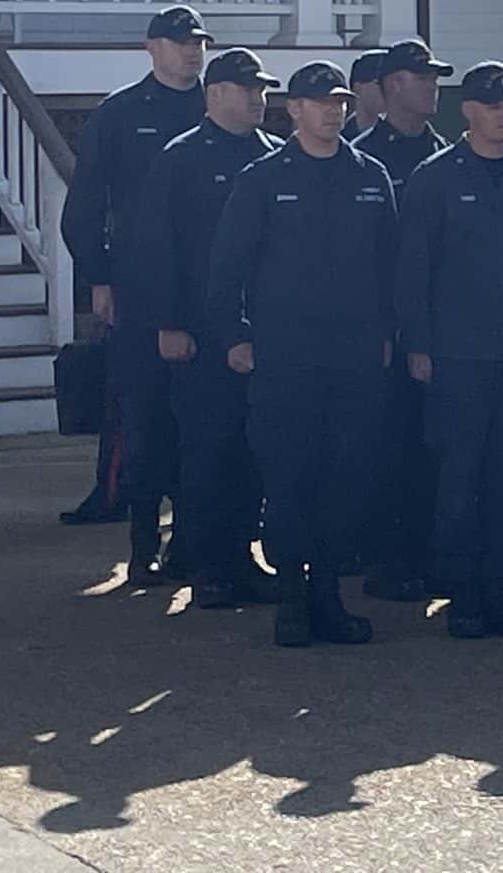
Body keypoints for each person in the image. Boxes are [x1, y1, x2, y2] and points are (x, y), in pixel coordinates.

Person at [205, 61, 397, 647]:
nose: (332, 111)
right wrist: (235, 337)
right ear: (294, 109)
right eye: (320, 102)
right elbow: (226, 269)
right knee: (289, 479)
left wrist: (388, 335)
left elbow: (390, 268)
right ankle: (291, 597)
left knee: (345, 478)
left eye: (339, 102)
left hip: (354, 360)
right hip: (286, 359)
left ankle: (328, 596)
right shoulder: (263, 180)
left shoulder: (370, 175)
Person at [397, 62, 503, 640]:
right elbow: (414, 268)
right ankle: (463, 594)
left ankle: (497, 591)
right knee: (459, 478)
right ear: (467, 111)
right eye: (493, 106)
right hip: (457, 354)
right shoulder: (434, 178)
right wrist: (418, 344)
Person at [59, 4, 210, 572]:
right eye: (180, 41)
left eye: (198, 42)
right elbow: (84, 207)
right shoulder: (119, 114)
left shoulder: (217, 108)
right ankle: (143, 541)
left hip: (207, 293)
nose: (191, 51)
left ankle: (191, 543)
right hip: (138, 290)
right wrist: (98, 278)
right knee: (144, 419)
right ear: (152, 48)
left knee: (204, 424)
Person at [133, 47, 281, 609]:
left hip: (262, 333)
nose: (258, 99)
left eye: (262, 90)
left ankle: (241, 558)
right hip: (199, 334)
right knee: (207, 453)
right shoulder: (182, 158)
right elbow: (157, 248)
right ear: (215, 94)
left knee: (252, 453)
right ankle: (207, 567)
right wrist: (169, 323)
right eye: (247, 89)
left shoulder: (275, 155)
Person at [354, 38, 453, 602]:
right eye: (423, 77)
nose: (434, 86)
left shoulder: (448, 155)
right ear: (393, 85)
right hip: (385, 333)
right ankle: (389, 560)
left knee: (436, 447)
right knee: (389, 449)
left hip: (443, 328)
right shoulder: (361, 158)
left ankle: (432, 554)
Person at [342, 49, 388, 141]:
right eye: (380, 82)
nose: (389, 88)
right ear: (357, 88)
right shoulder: (336, 139)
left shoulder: (406, 135)